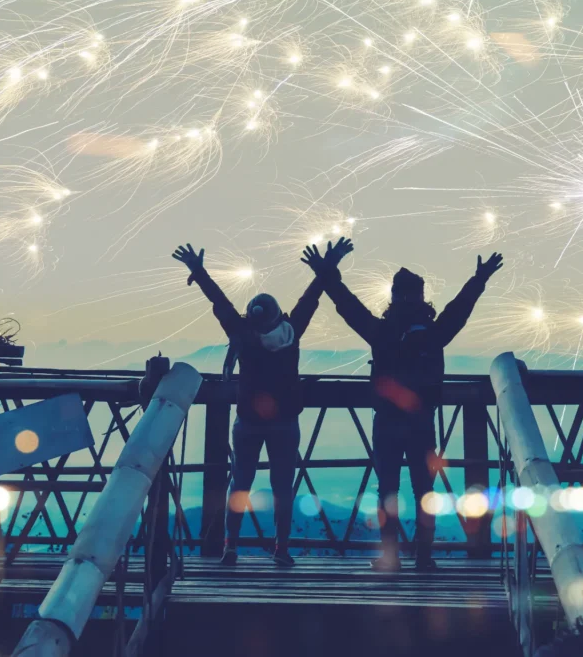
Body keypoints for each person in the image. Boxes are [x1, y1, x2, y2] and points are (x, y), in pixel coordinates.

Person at [302, 239, 503, 571]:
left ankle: (390, 556)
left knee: (388, 490)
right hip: (423, 420)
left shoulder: (382, 332)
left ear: (393, 297)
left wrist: (326, 273)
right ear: (422, 297)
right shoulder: (434, 333)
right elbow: (459, 310)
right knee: (425, 490)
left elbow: (347, 306)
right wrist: (479, 279)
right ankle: (424, 557)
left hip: (387, 421)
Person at [172, 239, 352, 567]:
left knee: (240, 484)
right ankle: (281, 548)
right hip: (285, 423)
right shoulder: (292, 332)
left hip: (248, 423)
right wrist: (327, 266)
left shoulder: (243, 335)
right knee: (282, 487)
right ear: (276, 315)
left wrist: (199, 272)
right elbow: (311, 299)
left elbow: (220, 303)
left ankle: (230, 546)